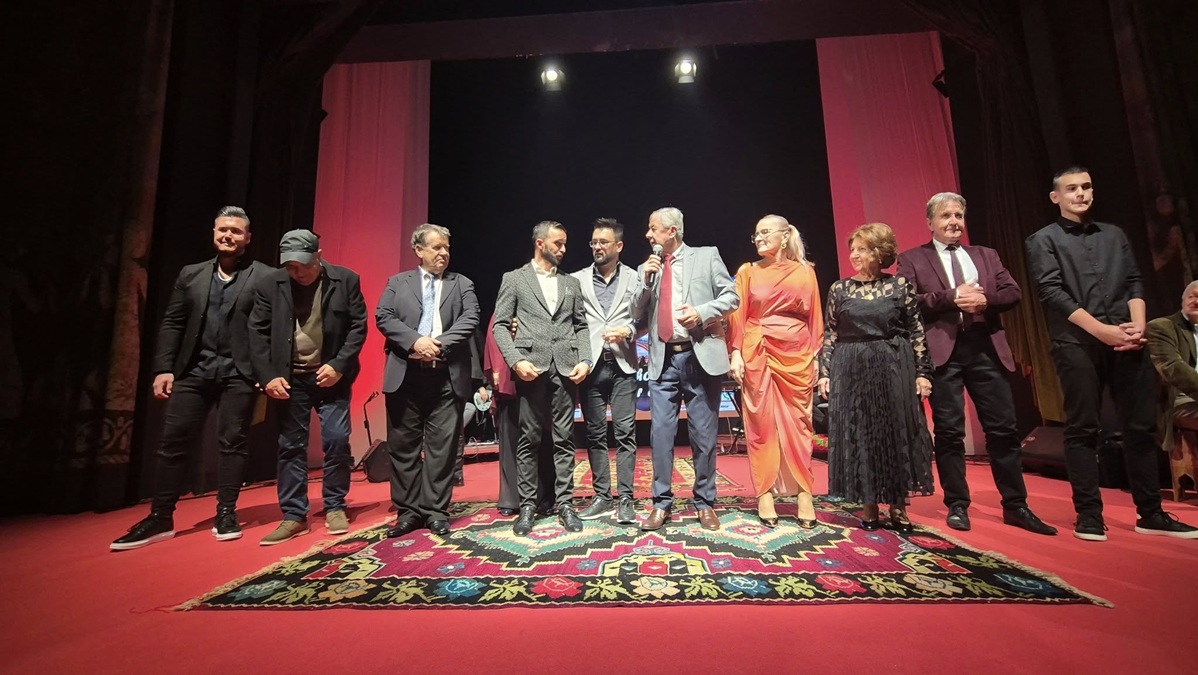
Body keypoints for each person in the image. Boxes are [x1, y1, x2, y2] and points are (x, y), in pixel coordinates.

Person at [1025, 167, 1197, 541]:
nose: (1081, 193)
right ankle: (1089, 515)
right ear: (1056, 197)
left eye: (1086, 186)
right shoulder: (1043, 240)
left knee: (1140, 427)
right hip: (1078, 344)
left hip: (1126, 338)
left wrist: (1138, 326)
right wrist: (1102, 331)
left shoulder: (1114, 234)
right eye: (1072, 188)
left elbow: (1134, 281)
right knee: (1083, 428)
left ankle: (1150, 513)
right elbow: (1052, 293)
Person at [110, 206, 270, 551]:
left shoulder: (264, 276)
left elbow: (271, 328)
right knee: (173, 443)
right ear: (214, 233)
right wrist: (163, 367)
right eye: (222, 229)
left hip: (239, 374)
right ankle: (160, 517)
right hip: (193, 371)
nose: (227, 235)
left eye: (236, 231)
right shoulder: (191, 274)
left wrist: (265, 371)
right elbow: (173, 322)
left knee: (233, 443)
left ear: (247, 238)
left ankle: (226, 513)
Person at [897, 193, 1056, 536]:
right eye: (946, 216)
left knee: (1003, 430)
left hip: (986, 348)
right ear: (930, 222)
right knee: (949, 431)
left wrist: (984, 300)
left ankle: (1016, 505)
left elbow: (1012, 293)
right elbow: (906, 301)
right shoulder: (912, 258)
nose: (954, 222)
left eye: (958, 215)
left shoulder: (986, 255)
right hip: (943, 354)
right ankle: (957, 503)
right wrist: (952, 297)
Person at [248, 230, 367, 545]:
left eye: (303, 265)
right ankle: (293, 515)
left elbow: (358, 326)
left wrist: (339, 365)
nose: (297, 272)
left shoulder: (346, 280)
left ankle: (335, 505)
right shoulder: (269, 284)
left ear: (319, 255)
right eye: (290, 266)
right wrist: (268, 376)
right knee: (290, 445)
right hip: (290, 379)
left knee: (337, 440)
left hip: (331, 376)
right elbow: (257, 333)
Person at [817, 223, 934, 533]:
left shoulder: (900, 286)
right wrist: (825, 373)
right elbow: (831, 333)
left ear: (880, 253)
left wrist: (923, 373)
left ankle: (897, 504)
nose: (855, 255)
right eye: (853, 249)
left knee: (895, 432)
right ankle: (868, 503)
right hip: (851, 367)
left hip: (893, 363)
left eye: (863, 249)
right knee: (861, 433)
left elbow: (916, 330)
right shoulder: (840, 289)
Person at [632, 207, 739, 531]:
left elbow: (731, 297)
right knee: (660, 435)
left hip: (698, 355)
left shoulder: (706, 256)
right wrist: (646, 281)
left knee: (703, 436)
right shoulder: (647, 268)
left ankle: (705, 503)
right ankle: (661, 504)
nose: (648, 235)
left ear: (672, 231)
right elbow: (636, 311)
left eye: (653, 228)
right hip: (663, 359)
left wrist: (702, 312)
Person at [375, 223, 480, 537]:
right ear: (419, 250)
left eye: (447, 247)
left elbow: (471, 318)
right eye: (436, 247)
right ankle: (408, 512)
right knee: (403, 447)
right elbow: (383, 316)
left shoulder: (462, 284)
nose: (444, 253)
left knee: (441, 449)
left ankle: (436, 511)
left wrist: (438, 344)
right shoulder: (397, 283)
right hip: (405, 375)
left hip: (445, 376)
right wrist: (415, 341)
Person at [492, 221, 592, 537]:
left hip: (565, 369)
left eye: (564, 243)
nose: (563, 249)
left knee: (564, 439)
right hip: (530, 368)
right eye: (557, 243)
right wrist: (515, 360)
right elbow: (499, 326)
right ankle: (527, 506)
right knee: (529, 439)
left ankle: (565, 504)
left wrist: (586, 360)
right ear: (540, 243)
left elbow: (581, 326)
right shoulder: (514, 279)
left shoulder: (570, 283)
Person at [728, 215, 823, 529]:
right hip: (759, 350)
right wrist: (736, 353)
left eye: (765, 232)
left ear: (785, 236)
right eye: (755, 234)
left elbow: (815, 318)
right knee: (761, 423)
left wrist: (816, 357)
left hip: (797, 354)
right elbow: (737, 316)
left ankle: (804, 492)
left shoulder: (805, 272)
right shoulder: (747, 271)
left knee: (800, 424)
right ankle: (765, 492)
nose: (758, 238)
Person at [570, 218, 642, 525]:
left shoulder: (636, 277)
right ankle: (602, 496)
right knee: (595, 433)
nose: (597, 247)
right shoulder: (577, 279)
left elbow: (645, 318)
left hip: (623, 364)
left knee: (625, 432)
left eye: (603, 242)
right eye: (594, 242)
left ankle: (625, 498)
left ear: (619, 246)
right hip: (591, 365)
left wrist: (628, 330)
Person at [483, 313, 557, 517]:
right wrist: (496, 367)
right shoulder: (508, 300)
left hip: (541, 370)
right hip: (509, 372)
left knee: (542, 436)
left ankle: (544, 497)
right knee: (510, 437)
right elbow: (495, 331)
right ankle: (511, 498)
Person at [1147, 281, 1198, 493]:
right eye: (1192, 296)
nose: (1196, 301)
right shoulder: (1162, 326)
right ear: (1182, 300)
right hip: (1178, 402)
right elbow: (1173, 369)